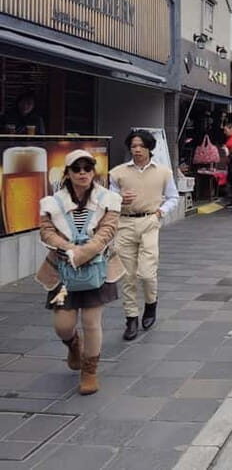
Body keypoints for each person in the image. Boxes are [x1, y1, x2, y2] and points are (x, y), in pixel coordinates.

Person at [36, 150, 124, 395]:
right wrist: (69, 248)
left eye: (88, 168)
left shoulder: (108, 199)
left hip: (97, 269)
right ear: (68, 173)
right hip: (62, 271)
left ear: (94, 171)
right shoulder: (53, 202)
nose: (83, 173)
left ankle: (89, 371)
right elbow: (46, 231)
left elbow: (108, 230)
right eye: (77, 168)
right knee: (63, 325)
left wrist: (86, 252)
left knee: (91, 322)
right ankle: (73, 345)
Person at [109, 130, 179, 341]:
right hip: (125, 223)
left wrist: (161, 212)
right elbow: (108, 198)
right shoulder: (117, 173)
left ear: (149, 148)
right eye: (133, 146)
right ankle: (131, 318)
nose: (137, 150)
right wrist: (119, 198)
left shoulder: (163, 172)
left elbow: (173, 197)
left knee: (147, 273)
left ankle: (151, 304)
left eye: (141, 146)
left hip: (150, 221)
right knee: (127, 275)